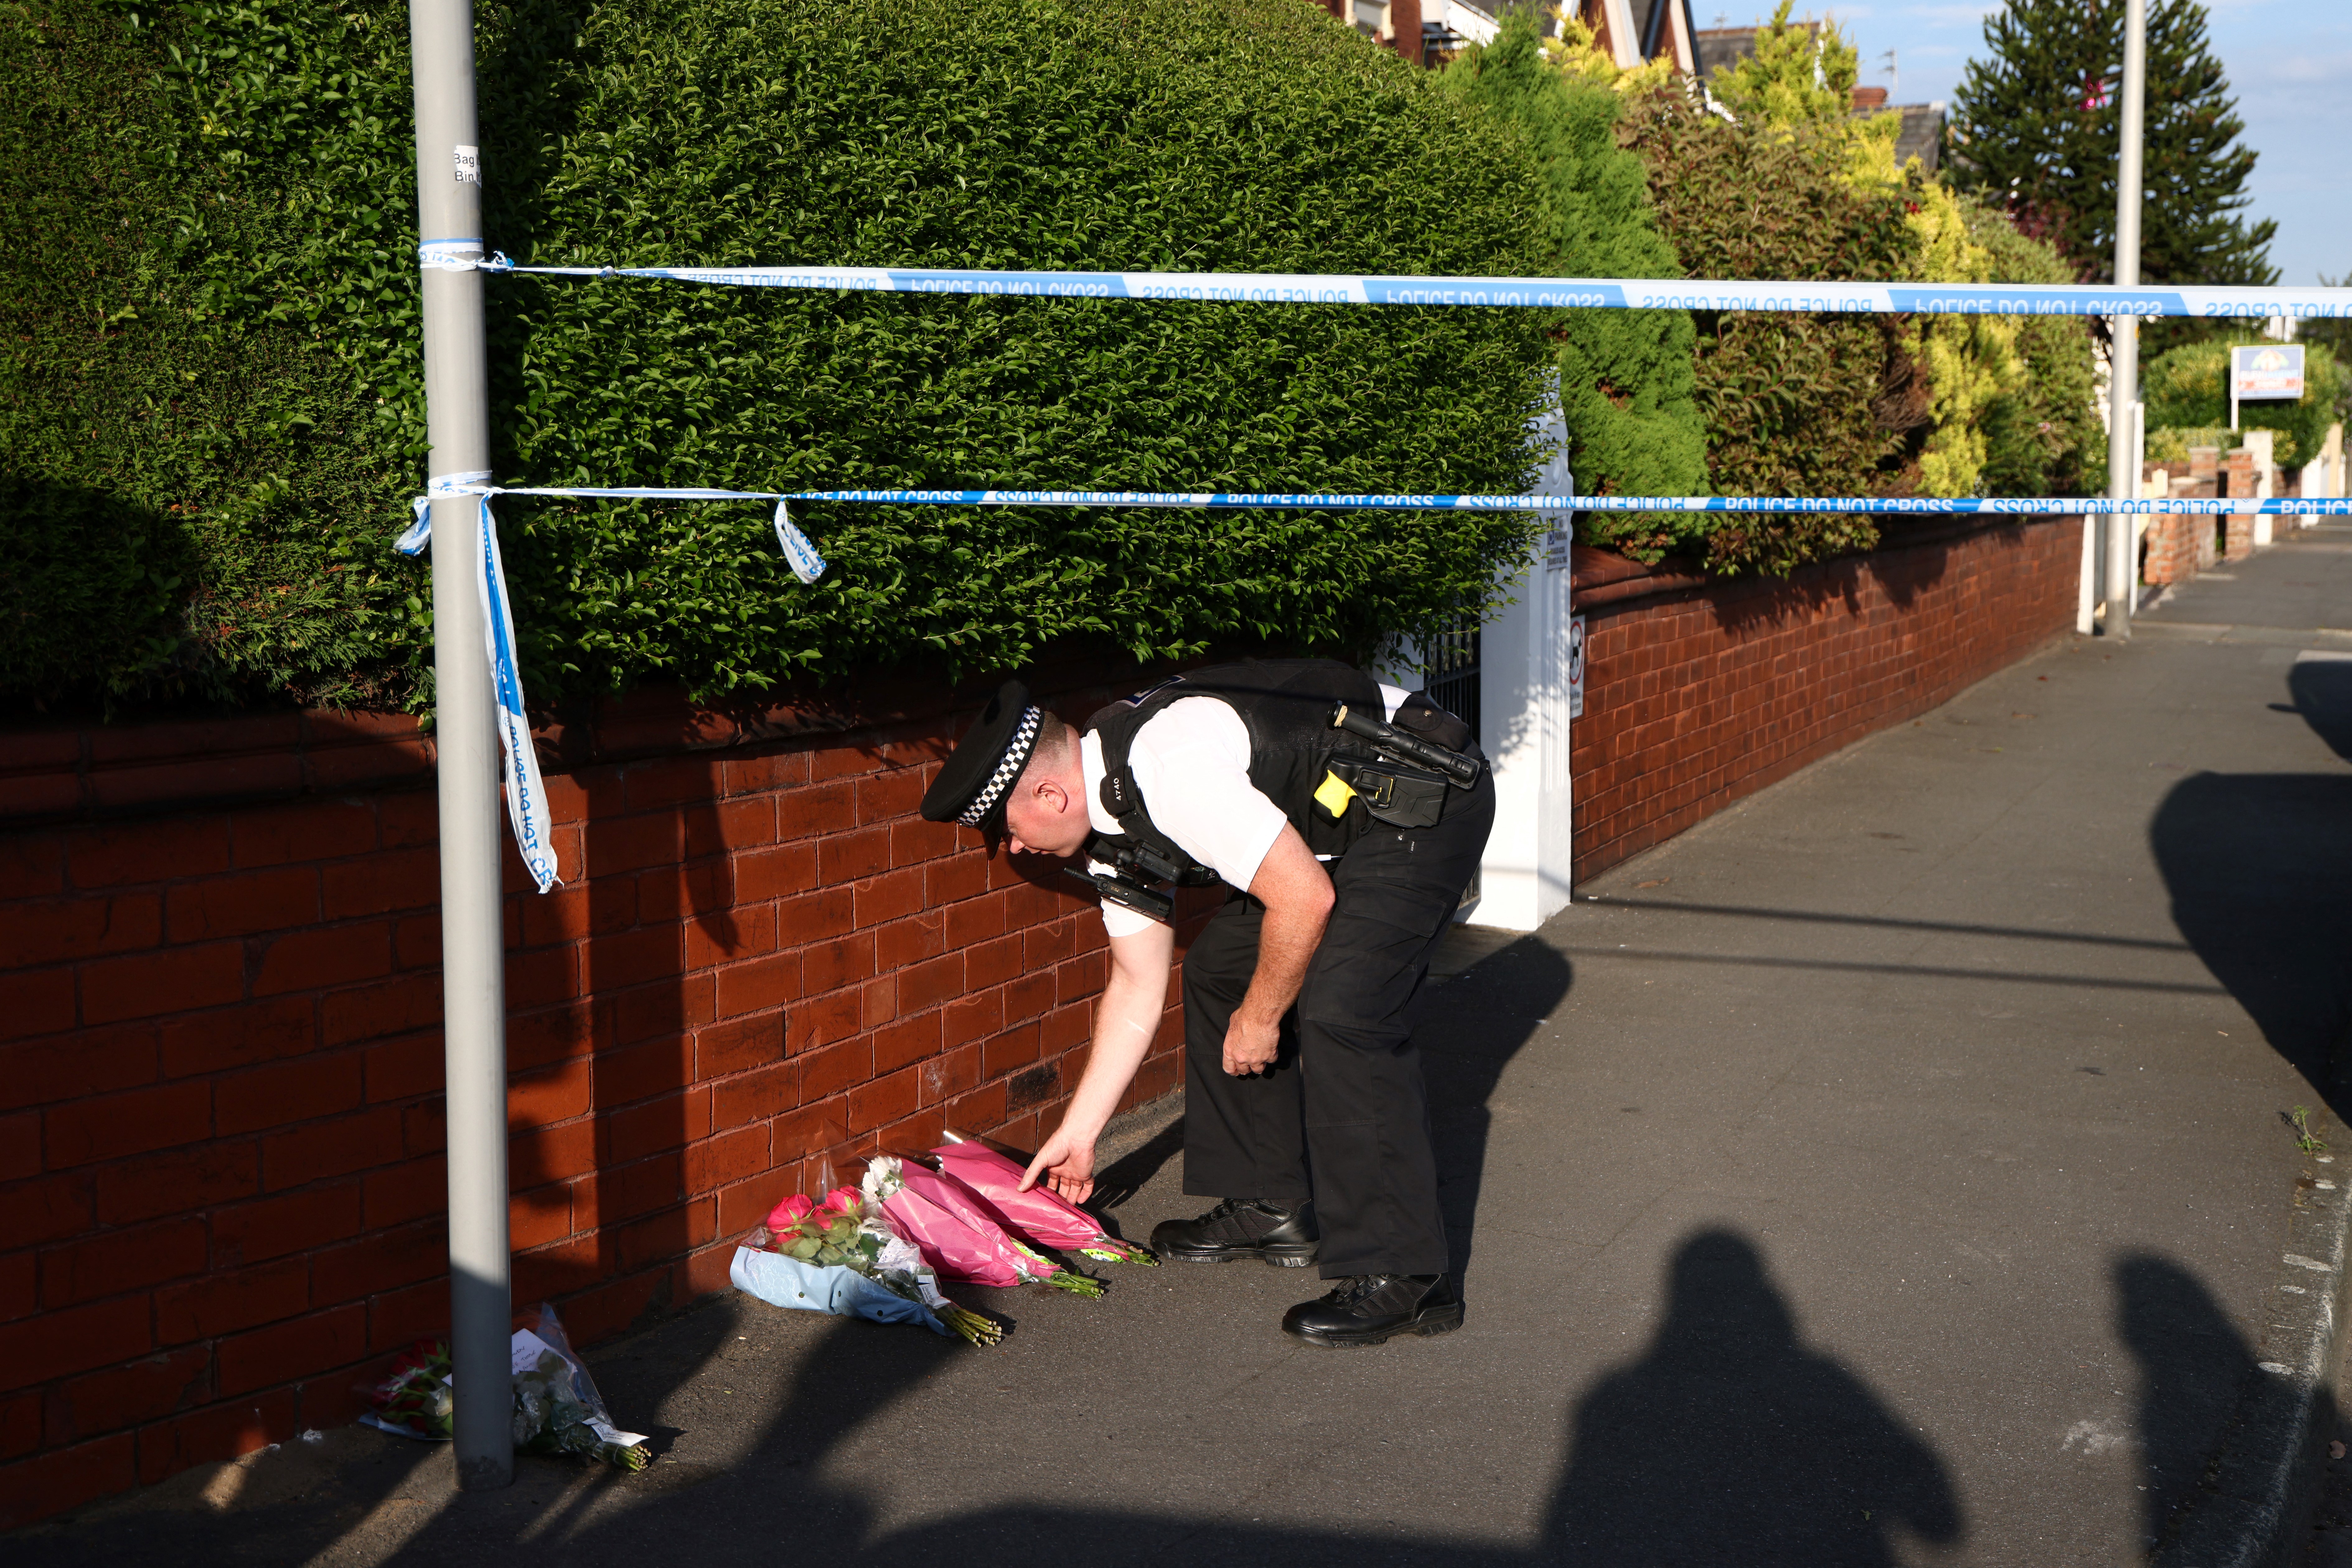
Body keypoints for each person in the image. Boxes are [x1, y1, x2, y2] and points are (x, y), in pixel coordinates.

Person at [917, 659, 1495, 1346]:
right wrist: (1080, 1132)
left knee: (1346, 1008)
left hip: (1421, 798)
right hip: (1336, 829)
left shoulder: (1168, 769)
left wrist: (1260, 1019)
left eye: (1005, 829)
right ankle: (1271, 1204)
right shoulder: (1112, 826)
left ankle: (1407, 1274)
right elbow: (1137, 982)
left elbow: (1304, 899)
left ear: (1048, 792)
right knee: (1220, 969)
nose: (1012, 847)